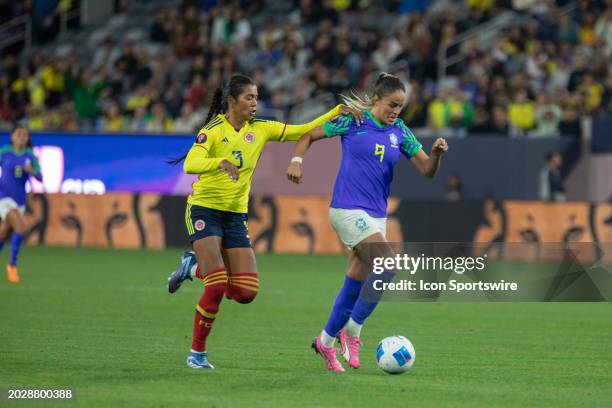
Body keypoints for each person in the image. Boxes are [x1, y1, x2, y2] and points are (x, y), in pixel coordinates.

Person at [166, 74, 360, 369]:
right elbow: (192, 162)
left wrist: (336, 111)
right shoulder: (213, 130)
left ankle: (191, 267)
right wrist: (219, 162)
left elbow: (303, 131)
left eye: (256, 97)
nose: (255, 103)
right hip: (204, 209)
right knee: (217, 286)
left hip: (235, 215)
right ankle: (197, 354)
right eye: (249, 98)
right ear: (231, 101)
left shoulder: (262, 128)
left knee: (245, 293)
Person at [286, 73, 448, 372]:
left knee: (355, 282)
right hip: (347, 209)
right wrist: (297, 160)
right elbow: (308, 135)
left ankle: (325, 341)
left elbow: (426, 170)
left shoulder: (400, 131)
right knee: (388, 263)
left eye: (400, 106)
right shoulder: (354, 122)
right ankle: (353, 331)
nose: (396, 112)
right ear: (376, 99)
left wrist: (436, 155)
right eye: (392, 105)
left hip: (375, 216)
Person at [0, 125, 42, 283]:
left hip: (20, 200)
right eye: (19, 134)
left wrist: (32, 171)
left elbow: (40, 177)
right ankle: (12, 265)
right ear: (12, 137)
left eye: (25, 135)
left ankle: (11, 265)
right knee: (21, 227)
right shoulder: (4, 152)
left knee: (4, 232)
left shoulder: (30, 156)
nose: (22, 137)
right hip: (3, 197)